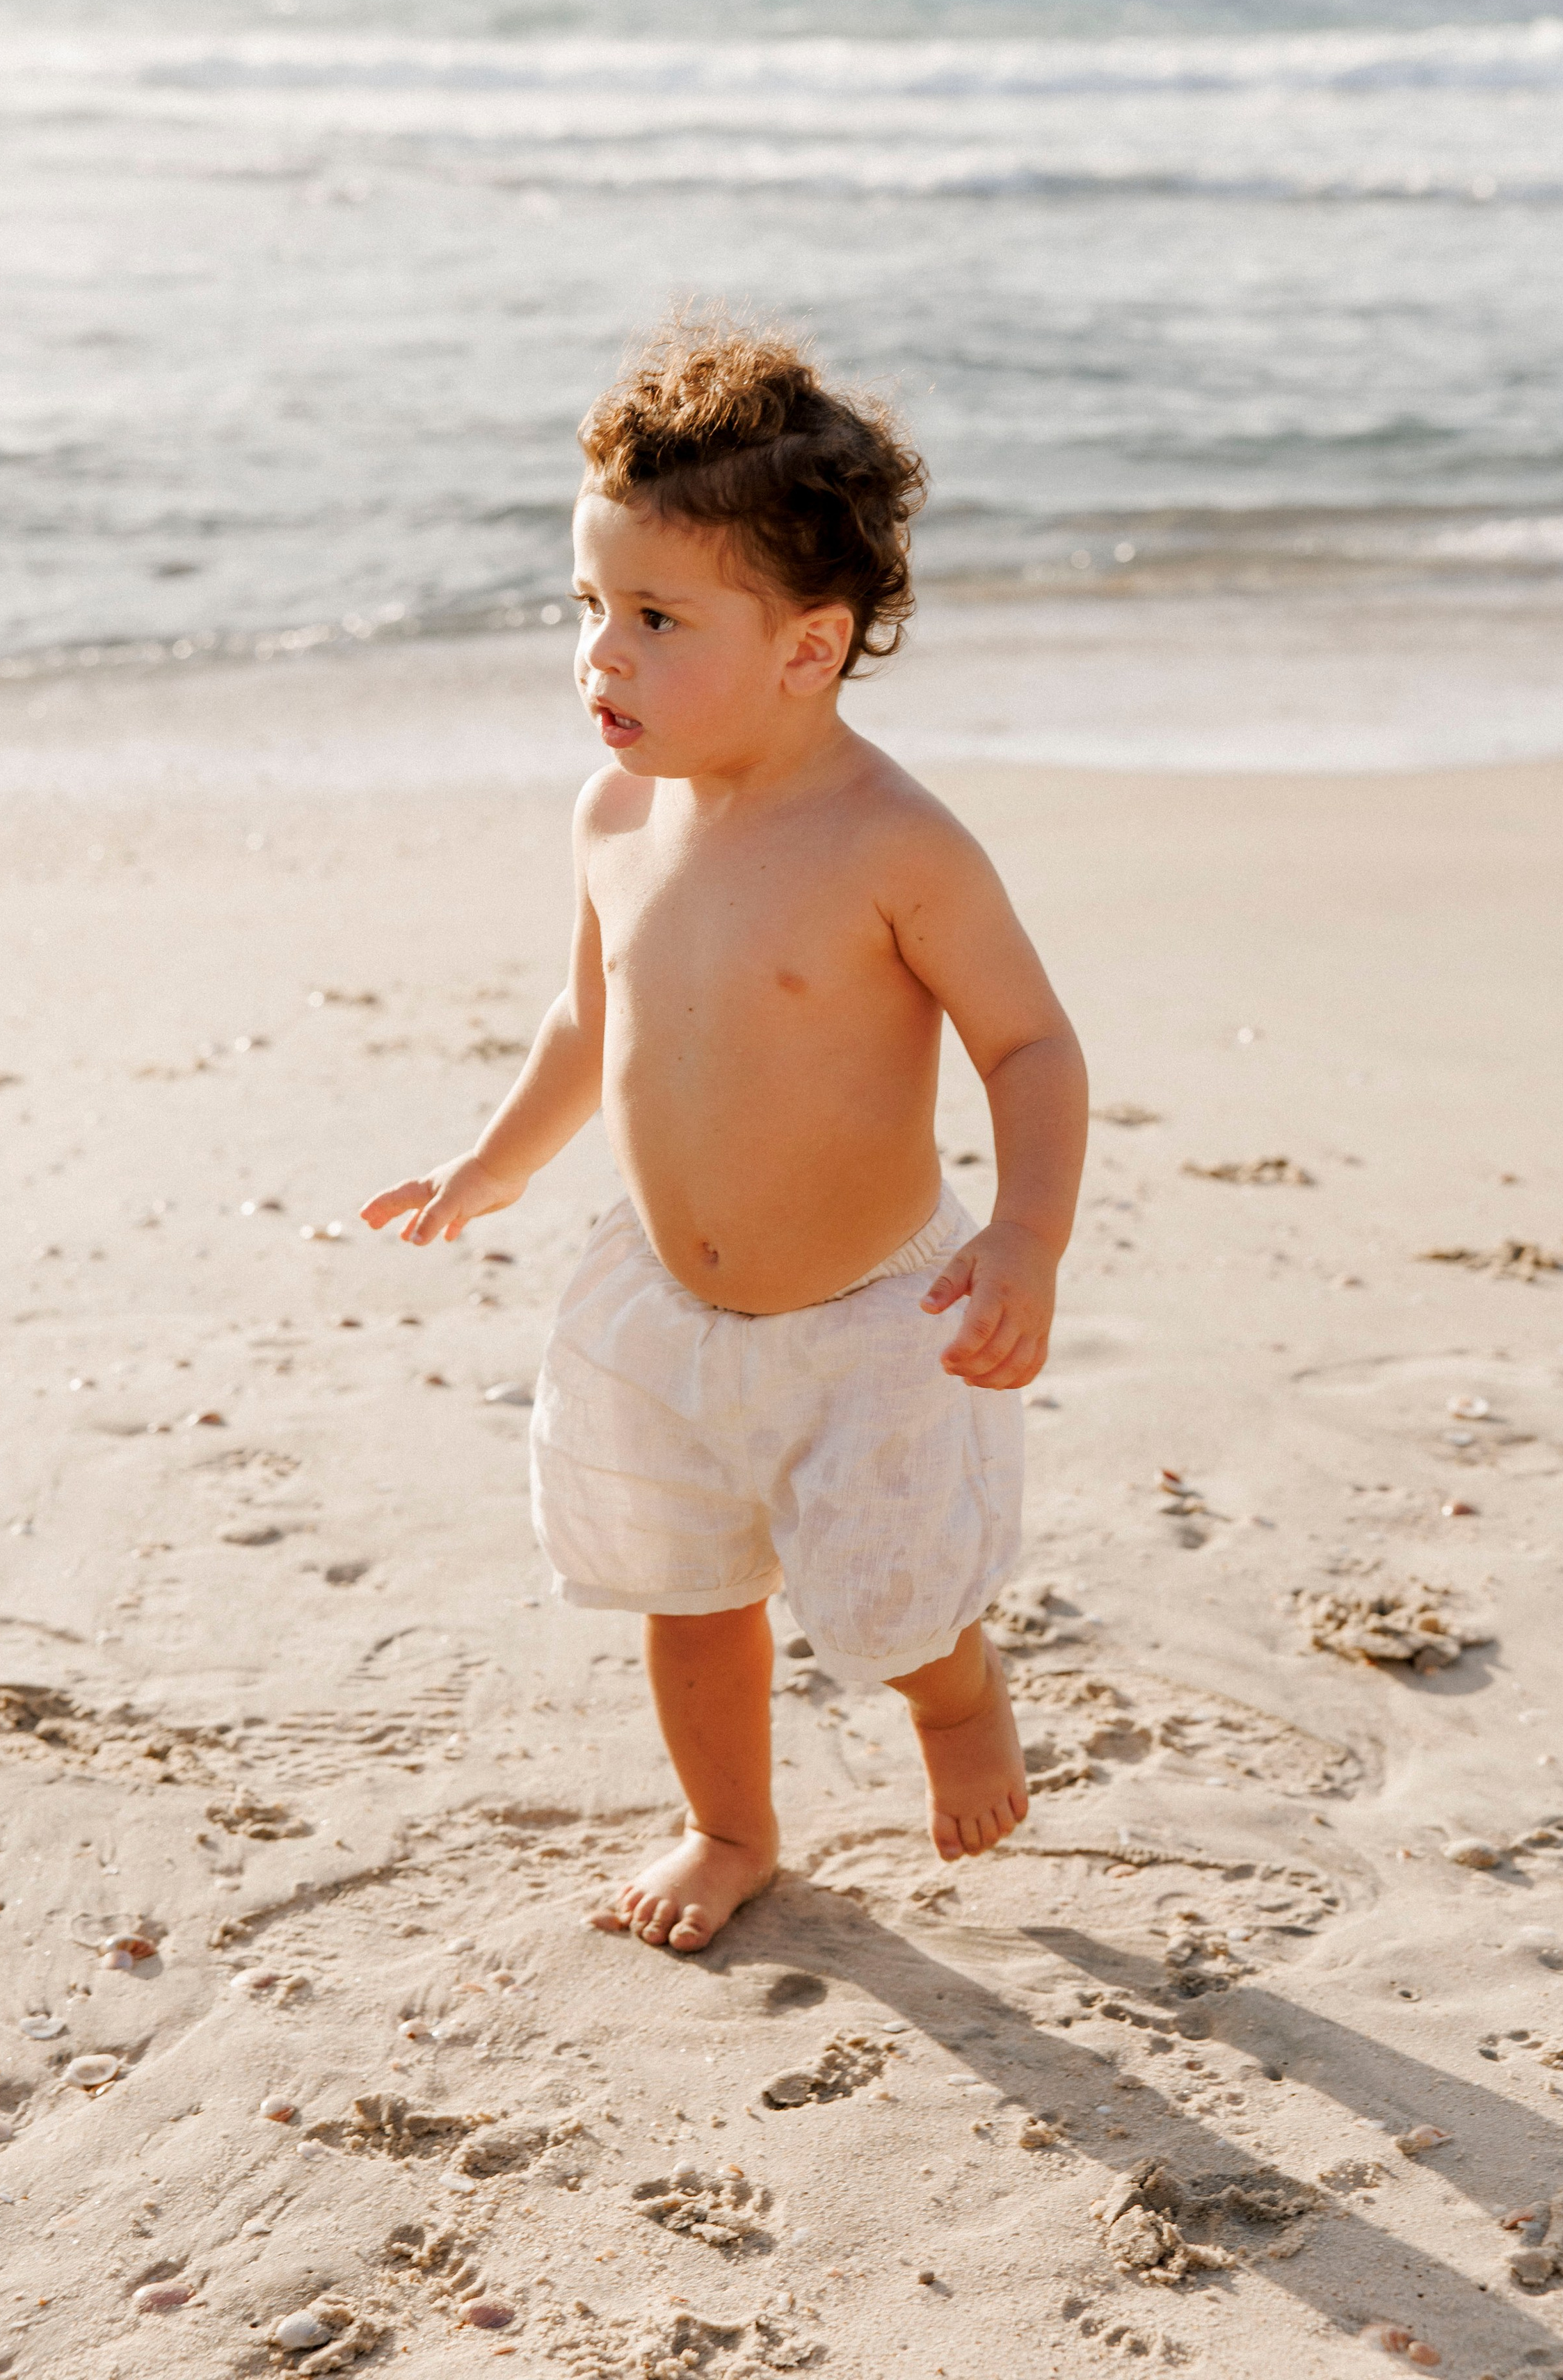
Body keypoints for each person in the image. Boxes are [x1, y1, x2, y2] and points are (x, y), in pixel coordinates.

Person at [364, 316, 1087, 1954]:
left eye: (655, 618)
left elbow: (1030, 1044)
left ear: (805, 649)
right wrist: (496, 1160)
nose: (597, 657)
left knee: (890, 1597)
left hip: (870, 1321)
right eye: (588, 608)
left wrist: (1024, 1236)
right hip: (660, 1312)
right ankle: (729, 1826)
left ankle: (955, 1701)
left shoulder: (892, 844)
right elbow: (586, 1019)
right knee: (687, 1596)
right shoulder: (611, 813)